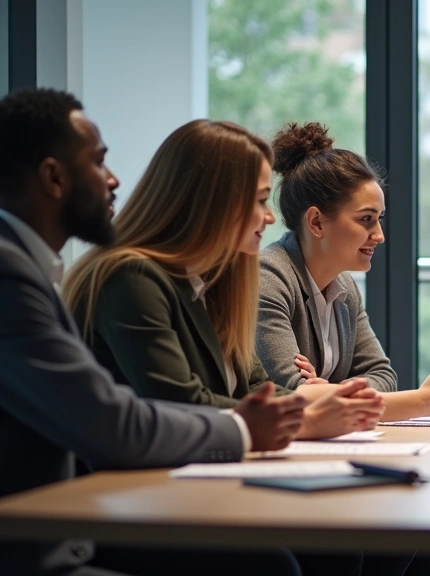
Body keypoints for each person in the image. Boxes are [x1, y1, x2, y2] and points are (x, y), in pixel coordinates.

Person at [0, 88, 306, 575]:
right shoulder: (16, 275)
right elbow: (118, 423)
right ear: (54, 177)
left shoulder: (28, 269)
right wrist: (251, 425)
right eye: (99, 163)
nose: (115, 179)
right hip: (57, 538)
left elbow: (252, 389)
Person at [63, 119, 386, 440]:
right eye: (260, 200)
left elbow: (256, 388)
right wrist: (309, 418)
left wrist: (322, 404)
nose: (271, 216)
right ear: (211, 201)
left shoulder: (216, 282)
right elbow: (182, 403)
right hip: (125, 485)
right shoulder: (132, 278)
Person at [257, 122, 430, 422]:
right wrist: (424, 400)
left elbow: (383, 374)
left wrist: (330, 391)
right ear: (317, 222)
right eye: (366, 219)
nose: (379, 235)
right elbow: (293, 397)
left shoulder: (344, 286)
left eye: (379, 219)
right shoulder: (268, 279)